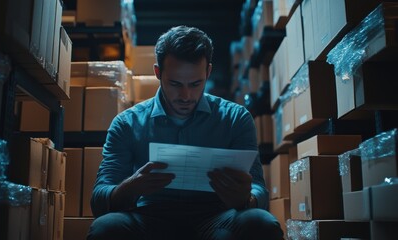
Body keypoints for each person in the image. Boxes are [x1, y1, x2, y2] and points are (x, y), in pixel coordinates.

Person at [87, 25, 284, 240]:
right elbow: (99, 199)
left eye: (196, 83)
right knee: (105, 227)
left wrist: (247, 199)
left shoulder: (235, 119)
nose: (186, 95)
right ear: (158, 73)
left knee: (261, 223)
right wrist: (130, 187)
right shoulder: (126, 124)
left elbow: (259, 191)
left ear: (208, 72)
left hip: (217, 218)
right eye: (175, 84)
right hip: (151, 218)